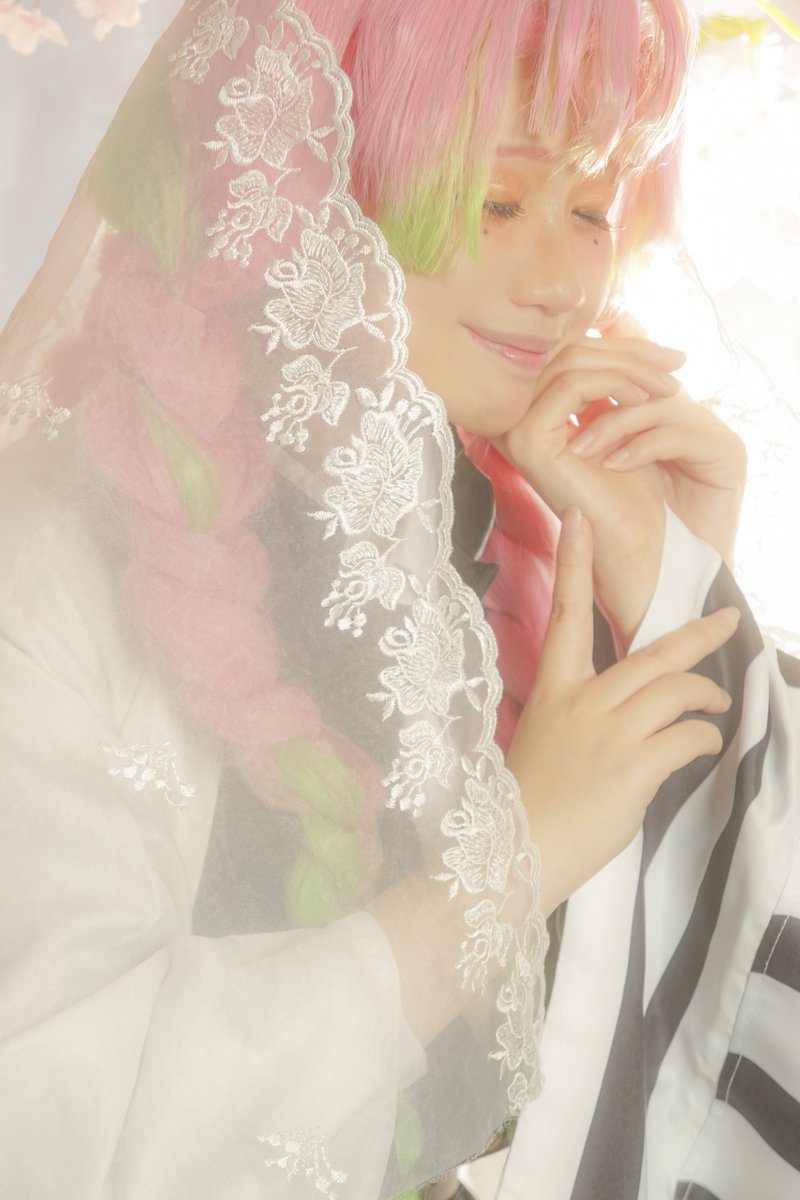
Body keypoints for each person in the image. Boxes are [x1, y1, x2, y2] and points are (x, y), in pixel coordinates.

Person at [0, 1, 790, 1198]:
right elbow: (51, 1130)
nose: (558, 284)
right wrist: (503, 863)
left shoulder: (510, 564)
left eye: (592, 209)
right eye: (496, 202)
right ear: (305, 181)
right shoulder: (55, 559)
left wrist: (675, 592)